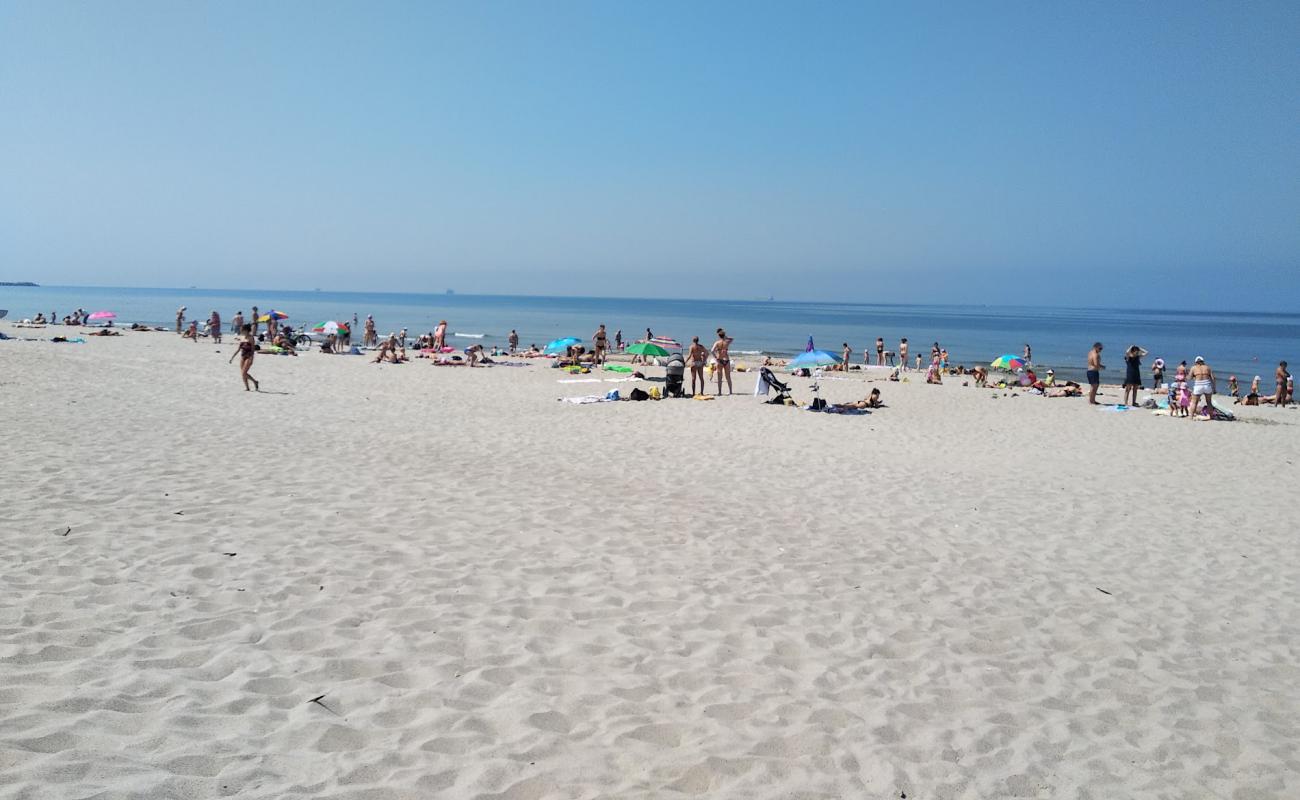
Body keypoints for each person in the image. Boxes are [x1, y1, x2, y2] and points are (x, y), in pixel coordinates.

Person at [229, 324, 259, 391]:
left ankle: (254, 382)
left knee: (243, 373)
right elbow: (238, 349)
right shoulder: (242, 338)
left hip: (249, 356)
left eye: (241, 329)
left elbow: (253, 349)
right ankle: (248, 387)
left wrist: (251, 357)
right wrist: (232, 358)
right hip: (242, 356)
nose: (240, 330)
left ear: (245, 330)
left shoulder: (251, 337)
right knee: (243, 373)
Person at [711, 328, 733, 395]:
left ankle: (720, 392)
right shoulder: (727, 342)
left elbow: (712, 351)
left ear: (718, 336)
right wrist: (725, 336)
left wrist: (715, 357)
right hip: (726, 360)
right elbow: (732, 339)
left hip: (719, 360)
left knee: (719, 378)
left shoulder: (717, 343)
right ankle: (730, 391)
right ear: (724, 335)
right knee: (728, 377)